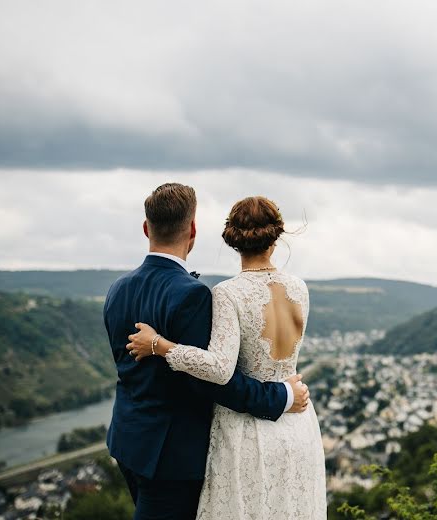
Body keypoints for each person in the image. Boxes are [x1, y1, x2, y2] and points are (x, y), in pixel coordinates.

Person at [104, 184, 310, 520]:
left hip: (127, 440)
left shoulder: (118, 289)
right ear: (193, 229)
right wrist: (282, 396)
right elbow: (213, 380)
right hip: (172, 456)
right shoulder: (192, 295)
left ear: (146, 228)